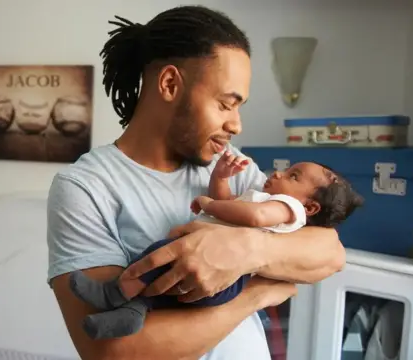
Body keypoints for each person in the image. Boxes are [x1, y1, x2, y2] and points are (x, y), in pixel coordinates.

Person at [46, 5, 346, 360]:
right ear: (170, 84)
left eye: (239, 108)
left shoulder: (229, 163)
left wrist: (243, 252)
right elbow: (113, 352)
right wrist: (257, 294)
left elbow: (330, 253)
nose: (236, 125)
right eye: (225, 104)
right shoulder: (85, 188)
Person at [67, 152, 364, 340]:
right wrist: (220, 179)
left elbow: (253, 215)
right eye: (224, 104)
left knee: (159, 256)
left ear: (310, 207)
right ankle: (133, 311)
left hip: (225, 282)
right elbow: (232, 204)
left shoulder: (286, 208)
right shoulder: (265, 195)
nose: (277, 174)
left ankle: (115, 292)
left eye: (293, 176)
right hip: (208, 274)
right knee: (163, 279)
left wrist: (210, 205)